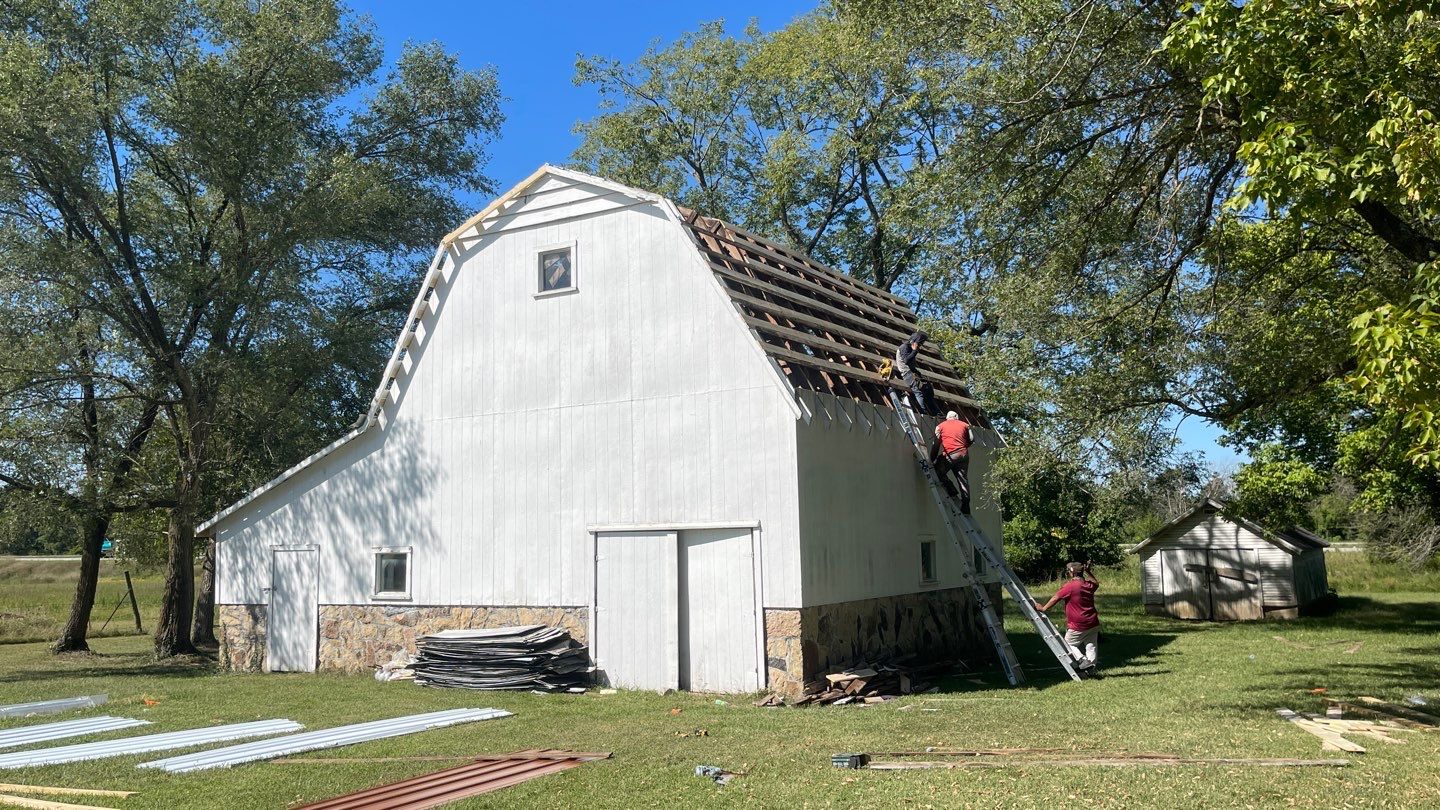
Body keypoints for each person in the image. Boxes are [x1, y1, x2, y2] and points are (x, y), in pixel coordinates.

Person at [1034, 562, 1101, 677]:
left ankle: (1082, 660)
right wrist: (1088, 572)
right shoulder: (1087, 585)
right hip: (1093, 622)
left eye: (1068, 571)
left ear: (1071, 573)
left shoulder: (1070, 586)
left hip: (1078, 624)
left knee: (1068, 644)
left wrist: (1044, 608)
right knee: (1091, 646)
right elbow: (1096, 583)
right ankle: (1091, 669)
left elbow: (1056, 597)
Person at [930, 410, 972, 513]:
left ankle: (951, 488)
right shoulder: (965, 425)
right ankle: (966, 504)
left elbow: (936, 445)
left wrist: (931, 459)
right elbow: (971, 439)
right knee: (962, 479)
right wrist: (964, 447)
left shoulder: (941, 426)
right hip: (964, 455)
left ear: (947, 418)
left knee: (938, 470)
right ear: (956, 417)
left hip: (951, 454)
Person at [894, 331, 933, 415]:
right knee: (918, 391)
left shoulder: (909, 347)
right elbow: (906, 361)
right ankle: (923, 412)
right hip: (907, 373)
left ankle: (935, 412)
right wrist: (915, 351)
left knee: (928, 389)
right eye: (919, 343)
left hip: (913, 372)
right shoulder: (904, 347)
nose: (919, 346)